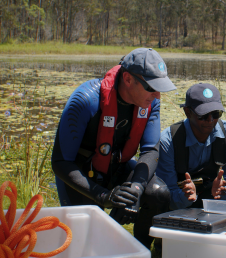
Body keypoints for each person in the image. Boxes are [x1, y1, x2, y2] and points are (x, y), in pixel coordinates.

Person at [51, 48, 176, 249]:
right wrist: (103, 196)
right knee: (86, 246)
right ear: (127, 79)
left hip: (117, 169)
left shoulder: (150, 102)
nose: (157, 96)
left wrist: (135, 189)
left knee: (158, 193)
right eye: (152, 87)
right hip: (82, 176)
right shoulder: (85, 100)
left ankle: (138, 250)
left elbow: (151, 151)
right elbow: (59, 162)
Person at [156, 83, 226, 210]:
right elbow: (166, 192)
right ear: (187, 112)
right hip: (179, 204)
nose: (210, 120)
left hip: (215, 200)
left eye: (216, 114)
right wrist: (185, 196)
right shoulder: (169, 140)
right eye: (203, 115)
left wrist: (225, 189)